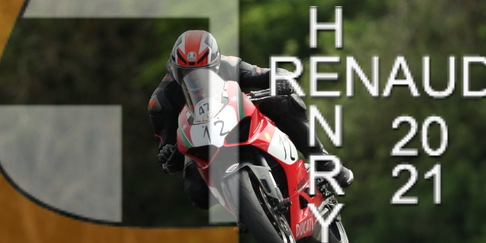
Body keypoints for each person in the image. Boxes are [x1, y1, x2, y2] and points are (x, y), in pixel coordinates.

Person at [149, 30, 353, 210]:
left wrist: (282, 79)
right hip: (203, 144)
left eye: (203, 71)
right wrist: (168, 155)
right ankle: (246, 209)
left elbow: (267, 74)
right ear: (174, 69)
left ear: (216, 64)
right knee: (197, 194)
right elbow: (167, 152)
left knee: (283, 101)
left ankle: (322, 160)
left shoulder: (229, 65)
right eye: (186, 72)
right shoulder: (161, 101)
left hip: (238, 118)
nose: (195, 78)